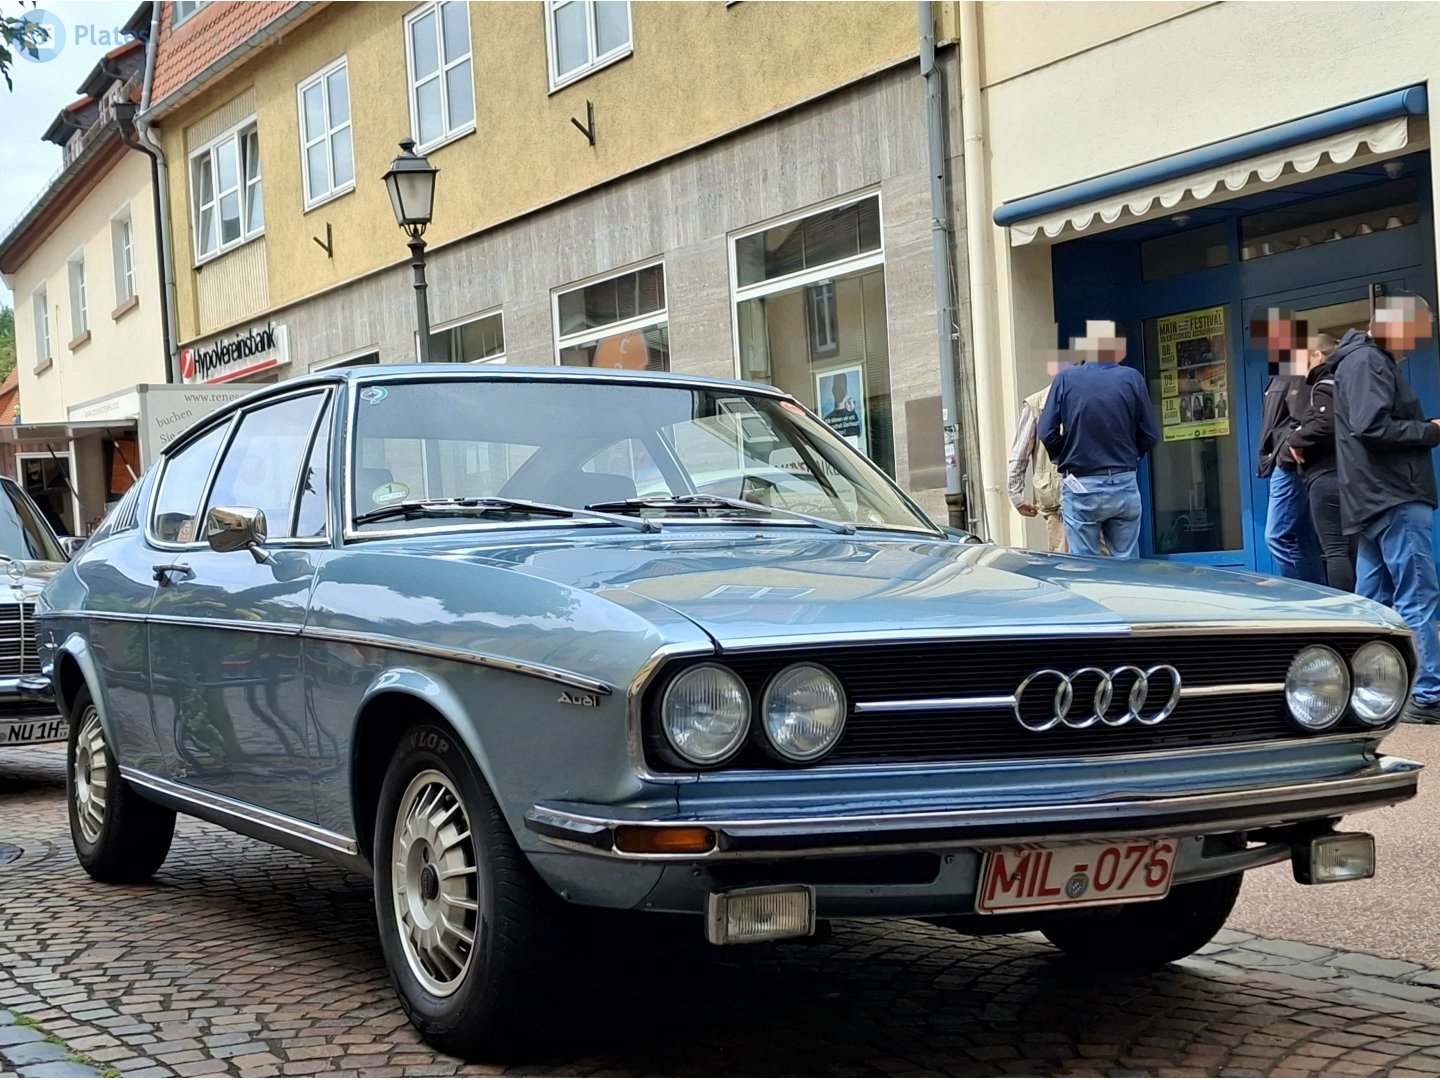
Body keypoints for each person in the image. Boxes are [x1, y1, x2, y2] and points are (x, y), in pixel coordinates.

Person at [1332, 293, 1440, 724]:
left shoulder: (1361, 360)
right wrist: (1431, 430)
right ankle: (1428, 694)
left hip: (1374, 498)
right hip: (1394, 494)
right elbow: (1372, 425)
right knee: (1417, 596)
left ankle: (1364, 692)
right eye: (1417, 332)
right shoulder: (1368, 361)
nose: (1418, 341)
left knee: (1371, 604)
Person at [1038, 321, 1159, 558]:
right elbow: (1151, 434)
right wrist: (1131, 455)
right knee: (1127, 564)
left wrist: (1065, 455)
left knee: (1086, 566)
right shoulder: (1132, 378)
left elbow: (1046, 431)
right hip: (1123, 481)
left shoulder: (1066, 380)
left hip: (1081, 481)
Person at [1252, 309, 1325, 584]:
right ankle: (1318, 594)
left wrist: (1283, 454)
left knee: (1278, 536)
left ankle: (1305, 595)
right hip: (1284, 464)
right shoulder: (1282, 374)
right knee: (1301, 536)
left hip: (1291, 466)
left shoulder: (1300, 372)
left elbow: (1306, 419)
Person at [1286, 333, 1355, 591]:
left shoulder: (1323, 385)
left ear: (1317, 356)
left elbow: (1326, 424)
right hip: (1351, 474)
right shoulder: (1348, 383)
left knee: (1335, 550)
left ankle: (1344, 607)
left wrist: (1295, 438)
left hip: (1326, 476)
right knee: (1354, 548)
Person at [1006, 382, 1066, 553]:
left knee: (1102, 560)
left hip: (1090, 495)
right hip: (1057, 502)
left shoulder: (1088, 395)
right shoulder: (1036, 404)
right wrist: (1016, 495)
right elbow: (1020, 454)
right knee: (1064, 559)